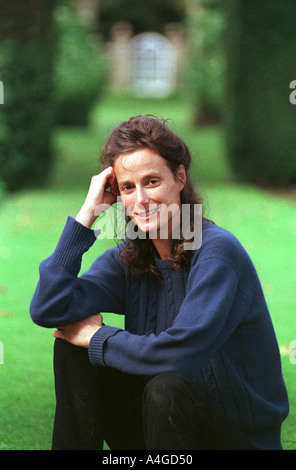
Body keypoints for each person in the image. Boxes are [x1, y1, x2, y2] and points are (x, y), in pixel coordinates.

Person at [30, 115, 289, 450]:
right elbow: (49, 309)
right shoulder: (130, 259)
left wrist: (98, 337)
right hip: (163, 432)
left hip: (235, 440)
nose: (140, 200)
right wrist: (87, 215)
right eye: (127, 187)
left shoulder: (217, 253)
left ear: (179, 177)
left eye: (151, 181)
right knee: (72, 348)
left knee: (167, 385)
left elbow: (177, 357)